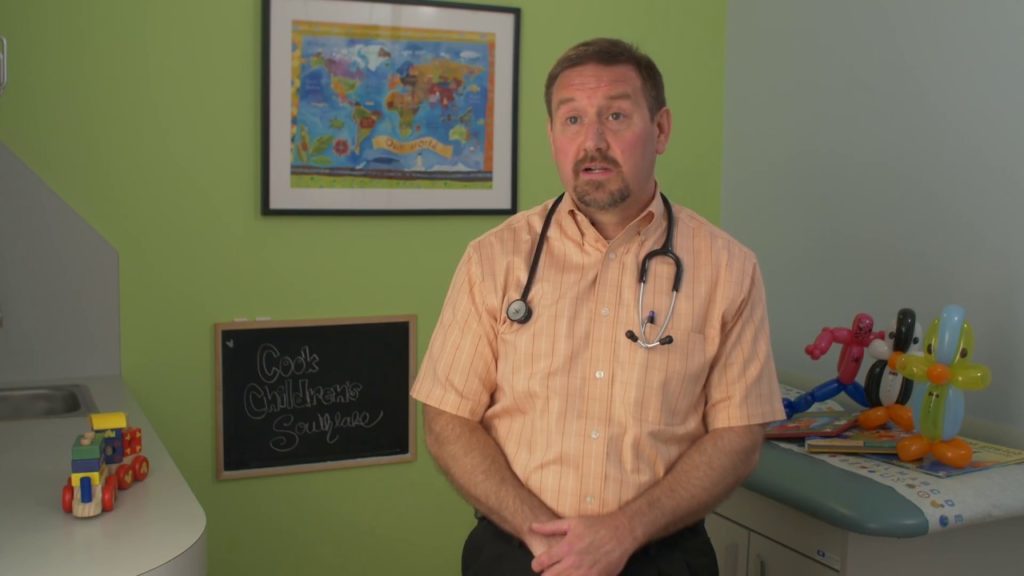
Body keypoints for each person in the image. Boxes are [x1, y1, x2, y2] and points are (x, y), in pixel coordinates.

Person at [411, 37, 784, 576]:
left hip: (662, 559)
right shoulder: (492, 259)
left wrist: (625, 530)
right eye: (573, 120)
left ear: (660, 130)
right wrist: (546, 538)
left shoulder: (729, 269)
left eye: (615, 116)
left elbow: (739, 434)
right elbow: (447, 420)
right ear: (552, 136)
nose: (593, 141)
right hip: (518, 554)